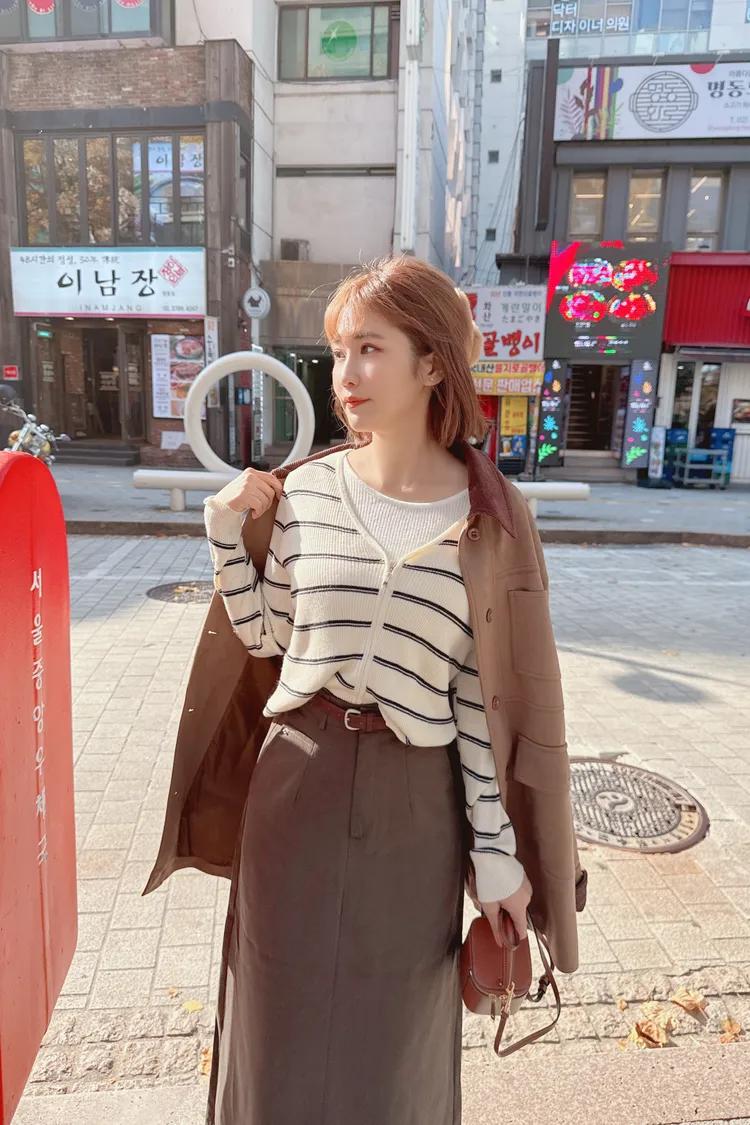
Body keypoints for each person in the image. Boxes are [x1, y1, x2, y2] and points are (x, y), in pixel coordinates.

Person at [145, 255, 586, 1125]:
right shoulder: (305, 492)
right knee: (275, 1023)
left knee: (396, 1040)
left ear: (433, 364)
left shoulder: (489, 518)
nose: (346, 373)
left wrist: (496, 850)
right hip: (294, 785)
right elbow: (269, 636)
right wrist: (225, 538)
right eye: (340, 350)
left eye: (371, 349)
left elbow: (479, 699)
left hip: (415, 809)